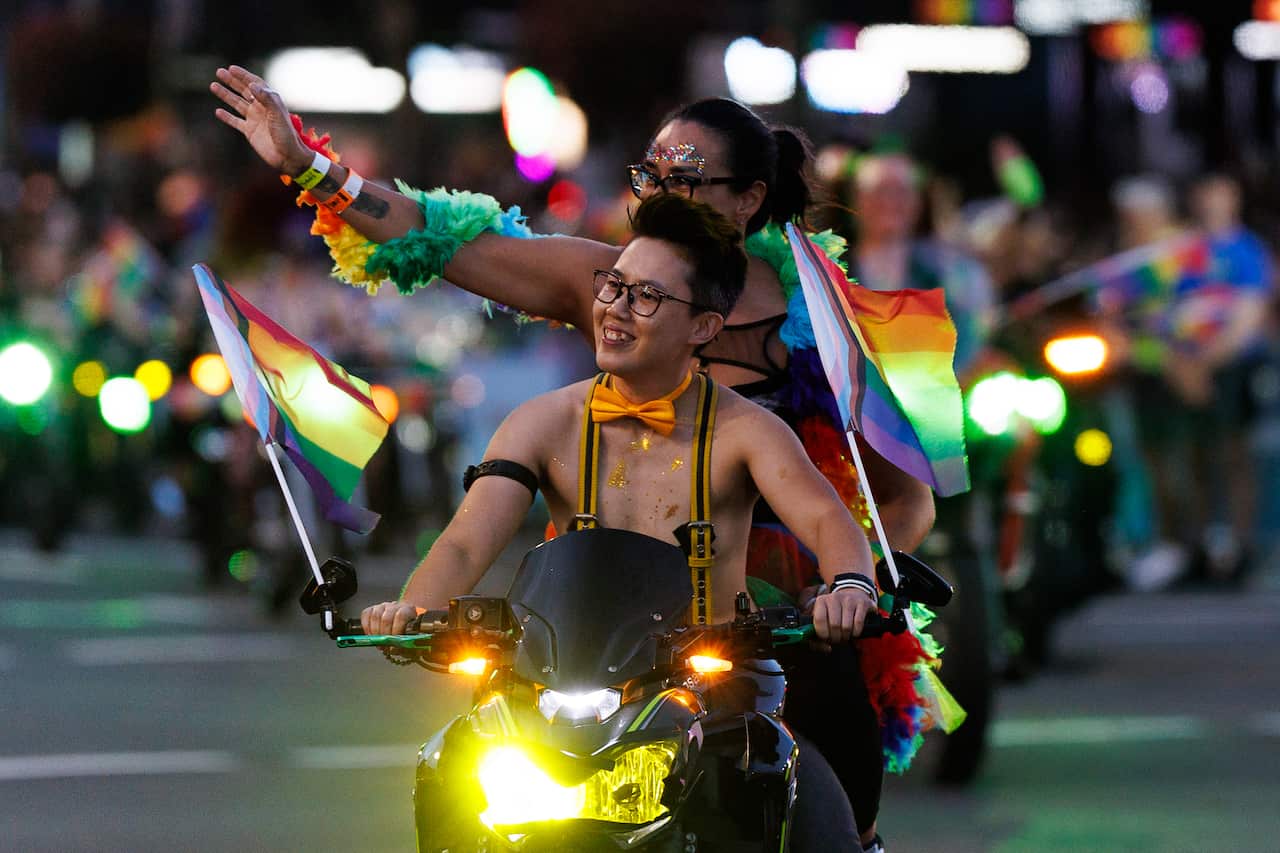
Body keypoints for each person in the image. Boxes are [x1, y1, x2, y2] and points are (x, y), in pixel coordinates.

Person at [211, 66, 949, 851]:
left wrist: (849, 587)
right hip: (599, 619)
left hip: (764, 620)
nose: (621, 304)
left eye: (687, 178)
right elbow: (443, 239)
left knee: (823, 781)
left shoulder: (821, 323)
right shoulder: (574, 360)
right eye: (650, 174)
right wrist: (304, 162)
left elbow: (896, 495)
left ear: (750, 199)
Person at [367, 193, 879, 848]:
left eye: (646, 297)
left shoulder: (750, 429)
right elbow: (468, 539)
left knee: (789, 794)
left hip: (713, 685)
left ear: (702, 326)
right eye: (613, 287)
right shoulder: (542, 420)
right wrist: (410, 608)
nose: (614, 308)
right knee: (455, 764)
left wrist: (850, 586)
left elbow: (827, 519)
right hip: (559, 684)